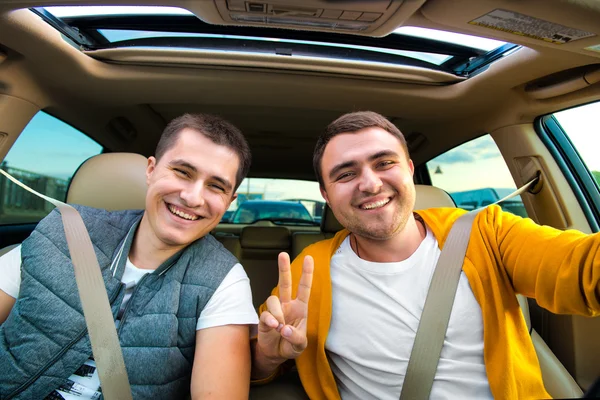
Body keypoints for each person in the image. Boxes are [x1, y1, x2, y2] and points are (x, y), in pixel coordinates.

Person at [251, 111, 600, 399]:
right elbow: (259, 363)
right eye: (346, 174)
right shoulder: (309, 269)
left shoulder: (487, 231)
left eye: (384, 162)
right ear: (326, 194)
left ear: (409, 170)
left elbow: (583, 267)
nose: (370, 184)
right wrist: (267, 356)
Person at [0, 114, 258, 399]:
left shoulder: (225, 281)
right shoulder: (61, 232)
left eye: (216, 186)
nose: (193, 197)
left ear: (230, 202)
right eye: (183, 172)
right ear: (151, 170)